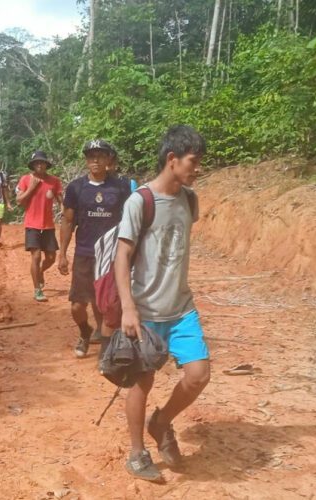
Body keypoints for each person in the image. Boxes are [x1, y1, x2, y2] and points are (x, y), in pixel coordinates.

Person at [114, 125, 208, 482]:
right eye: (192, 162)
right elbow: (122, 256)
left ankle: (162, 420)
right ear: (172, 160)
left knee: (198, 375)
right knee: (141, 383)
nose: (196, 169)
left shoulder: (190, 199)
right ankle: (137, 453)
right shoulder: (140, 201)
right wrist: (128, 307)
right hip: (146, 311)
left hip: (181, 308)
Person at [59, 140, 130, 358]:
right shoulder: (76, 188)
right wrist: (62, 253)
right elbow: (68, 222)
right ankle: (85, 332)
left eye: (100, 155)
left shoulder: (120, 187)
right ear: (86, 160)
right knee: (77, 306)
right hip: (84, 254)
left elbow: (130, 220)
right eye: (91, 156)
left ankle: (106, 352)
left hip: (111, 255)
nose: (95, 160)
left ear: (109, 159)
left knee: (107, 304)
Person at [16, 150, 63, 302]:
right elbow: (19, 201)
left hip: (48, 225)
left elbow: (60, 198)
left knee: (51, 257)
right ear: (33, 165)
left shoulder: (54, 181)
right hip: (32, 224)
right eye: (37, 163)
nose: (40, 165)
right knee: (35, 256)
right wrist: (31, 188)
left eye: (42, 162)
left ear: (46, 164)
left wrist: (63, 208)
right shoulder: (25, 179)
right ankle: (37, 290)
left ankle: (40, 272)